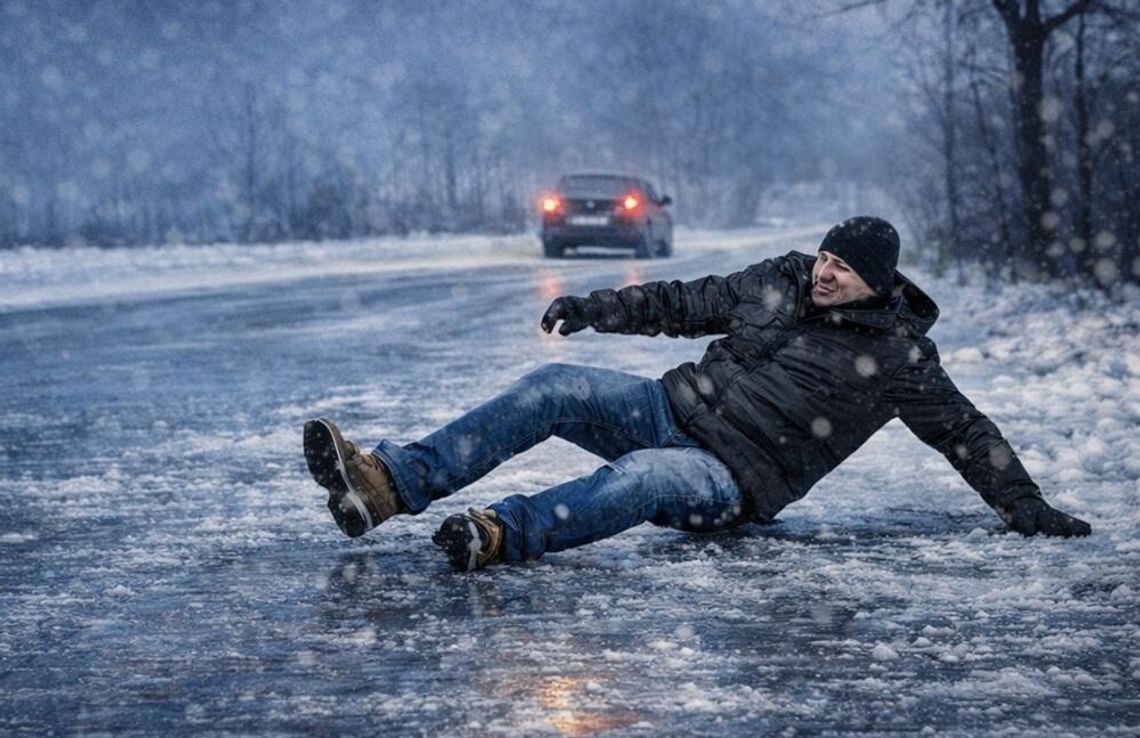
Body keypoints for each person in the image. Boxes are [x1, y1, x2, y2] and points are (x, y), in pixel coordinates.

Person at [303, 216, 1091, 572]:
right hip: (667, 407)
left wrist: (1027, 509)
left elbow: (964, 431)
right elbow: (683, 301)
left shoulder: (898, 357)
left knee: (642, 480)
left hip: (733, 479)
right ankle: (388, 484)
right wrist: (594, 307)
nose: (822, 272)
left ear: (875, 285)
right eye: (823, 257)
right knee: (552, 387)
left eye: (841, 269)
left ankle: (502, 534)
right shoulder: (779, 282)